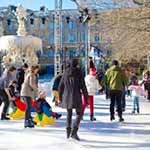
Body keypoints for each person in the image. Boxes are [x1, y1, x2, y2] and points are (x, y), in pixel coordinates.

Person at [58, 58, 88, 141]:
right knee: (79, 113)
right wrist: (86, 98)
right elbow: (83, 86)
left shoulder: (65, 72)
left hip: (67, 96)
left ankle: (68, 131)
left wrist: (60, 97)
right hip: (77, 96)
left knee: (69, 113)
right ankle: (74, 131)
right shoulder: (79, 72)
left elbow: (60, 86)